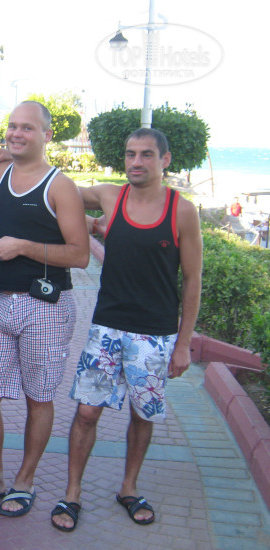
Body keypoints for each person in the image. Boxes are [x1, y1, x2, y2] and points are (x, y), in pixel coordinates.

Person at [50, 128, 202, 532]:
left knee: (142, 413)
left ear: (165, 160)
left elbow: (193, 280)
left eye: (147, 154)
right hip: (107, 328)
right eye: (130, 154)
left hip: (154, 334)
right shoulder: (110, 197)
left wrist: (183, 344)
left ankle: (129, 488)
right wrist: (11, 160)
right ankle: (72, 492)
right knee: (86, 412)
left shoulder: (182, 211)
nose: (136, 162)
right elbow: (56, 189)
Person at [0, 101, 89, 517]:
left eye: (27, 128)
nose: (16, 133)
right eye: (12, 126)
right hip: (0, 304)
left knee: (38, 399)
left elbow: (80, 254)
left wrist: (23, 246)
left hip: (46, 308)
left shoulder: (60, 186)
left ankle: (24, 481)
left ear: (47, 135)